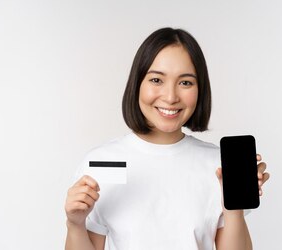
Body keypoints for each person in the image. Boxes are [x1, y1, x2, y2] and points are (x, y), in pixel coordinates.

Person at [64, 27, 270, 250]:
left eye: (185, 83)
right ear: (137, 84)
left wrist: (234, 207)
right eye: (156, 80)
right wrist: (75, 224)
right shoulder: (101, 162)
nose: (171, 97)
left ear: (200, 90)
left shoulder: (219, 166)